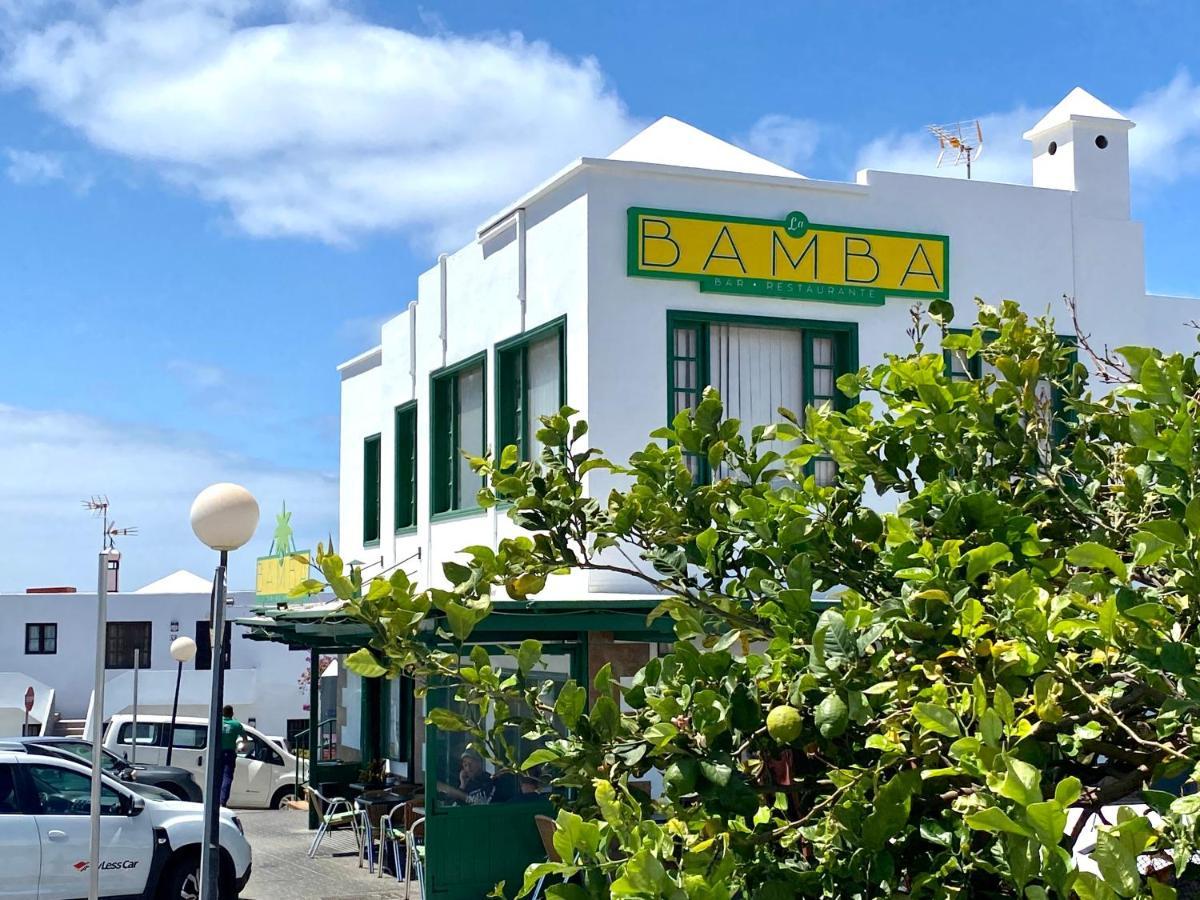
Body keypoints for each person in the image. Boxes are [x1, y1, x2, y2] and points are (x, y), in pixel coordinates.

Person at [219, 705, 245, 807]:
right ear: (232, 713)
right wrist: (242, 747)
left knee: (216, 777)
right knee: (227, 777)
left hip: (217, 753)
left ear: (222, 713)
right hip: (229, 753)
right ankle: (222, 801)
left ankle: (214, 799)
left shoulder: (217, 722)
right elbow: (245, 739)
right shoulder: (236, 724)